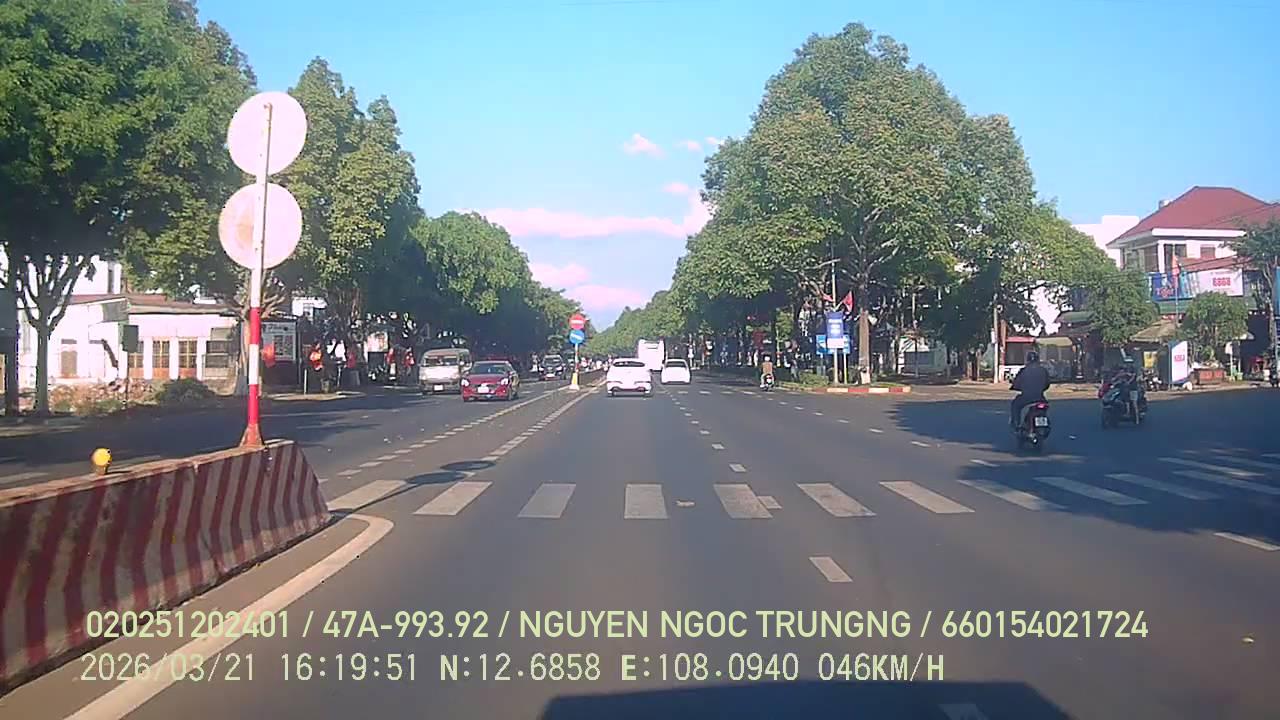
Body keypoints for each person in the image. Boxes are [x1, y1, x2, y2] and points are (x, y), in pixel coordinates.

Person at [1010, 350, 1051, 428]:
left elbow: (1017, 383)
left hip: (1026, 398)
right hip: (1040, 397)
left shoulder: (1023, 370)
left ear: (1028, 360)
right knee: (1045, 406)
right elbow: (1047, 384)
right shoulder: (1043, 370)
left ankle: (1017, 423)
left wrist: (1015, 387)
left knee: (1015, 405)